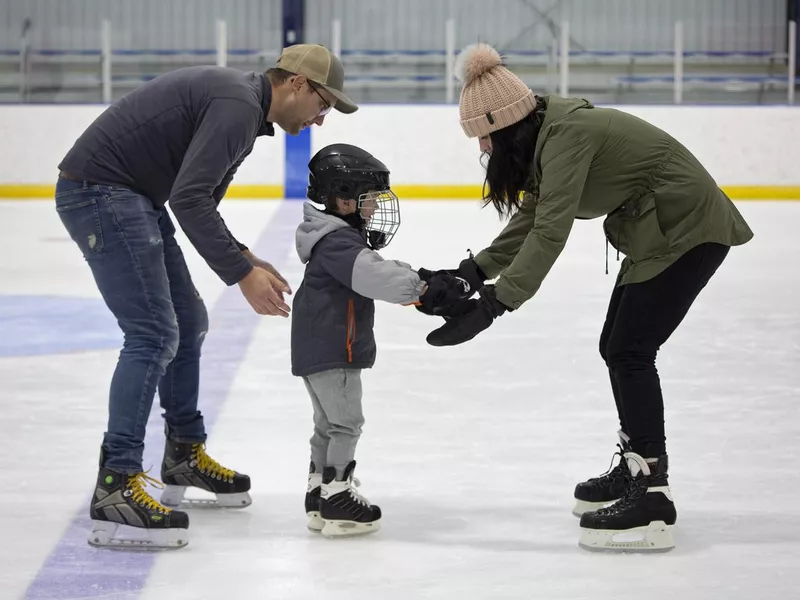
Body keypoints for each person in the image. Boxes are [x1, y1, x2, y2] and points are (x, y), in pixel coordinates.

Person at [426, 43, 753, 552]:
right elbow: (534, 217)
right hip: (658, 234)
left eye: (485, 139)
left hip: (687, 230)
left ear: (505, 124)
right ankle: (635, 469)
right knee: (616, 346)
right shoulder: (548, 136)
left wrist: (495, 304)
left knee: (629, 350)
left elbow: (550, 232)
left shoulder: (567, 136)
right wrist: (472, 273)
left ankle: (653, 494)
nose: (484, 152)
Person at [56, 44, 358, 549]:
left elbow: (200, 199)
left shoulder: (247, 111)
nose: (322, 119)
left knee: (188, 320)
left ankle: (182, 454)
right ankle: (117, 483)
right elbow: (189, 199)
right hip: (102, 191)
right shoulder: (238, 106)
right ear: (297, 84)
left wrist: (243, 256)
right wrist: (241, 273)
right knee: (153, 334)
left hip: (133, 196)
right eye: (323, 104)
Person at [292, 144, 469, 538]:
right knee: (346, 424)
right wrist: (423, 288)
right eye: (368, 199)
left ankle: (318, 494)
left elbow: (373, 269)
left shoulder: (332, 239)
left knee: (327, 425)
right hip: (334, 349)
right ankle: (337, 496)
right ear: (341, 197)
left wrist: (420, 280)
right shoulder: (338, 244)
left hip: (318, 348)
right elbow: (376, 276)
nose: (373, 208)